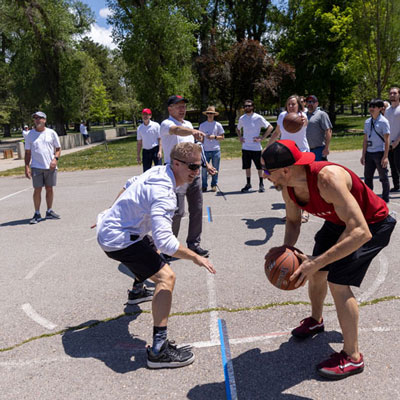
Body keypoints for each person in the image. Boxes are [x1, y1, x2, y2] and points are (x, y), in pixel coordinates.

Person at [261, 139, 396, 380]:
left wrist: (317, 261)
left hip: (373, 224)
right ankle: (316, 320)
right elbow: (293, 221)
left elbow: (360, 231)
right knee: (315, 271)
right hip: (338, 222)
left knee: (338, 282)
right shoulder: (288, 187)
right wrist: (286, 250)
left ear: (285, 170)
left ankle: (353, 356)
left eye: (267, 171)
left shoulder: (327, 179)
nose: (265, 176)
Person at [97, 142, 216, 369]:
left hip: (117, 231)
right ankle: (159, 351)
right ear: (177, 164)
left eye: (198, 166)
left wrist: (110, 215)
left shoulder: (159, 170)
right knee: (166, 277)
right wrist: (195, 257)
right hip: (118, 240)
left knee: (151, 250)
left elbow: (128, 184)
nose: (196, 172)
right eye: (192, 166)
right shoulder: (164, 194)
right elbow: (167, 243)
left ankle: (136, 291)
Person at [160, 95, 214, 258]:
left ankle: (194, 243)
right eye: (178, 106)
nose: (182, 109)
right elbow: (177, 130)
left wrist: (206, 164)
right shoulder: (166, 124)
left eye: (184, 106)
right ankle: (169, 247)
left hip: (193, 172)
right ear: (170, 109)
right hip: (175, 175)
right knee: (177, 212)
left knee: (197, 209)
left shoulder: (189, 124)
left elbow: (196, 148)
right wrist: (193, 131)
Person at [267, 94, 310, 223]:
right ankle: (291, 213)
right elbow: (276, 133)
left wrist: (303, 121)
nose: (291, 106)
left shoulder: (302, 116)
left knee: (302, 184)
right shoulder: (282, 116)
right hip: (285, 153)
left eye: (294, 104)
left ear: (298, 105)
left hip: (301, 153)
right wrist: (268, 147)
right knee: (286, 184)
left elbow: (305, 122)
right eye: (289, 104)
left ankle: (305, 211)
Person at [24, 111, 61, 224]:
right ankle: (37, 213)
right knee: (37, 189)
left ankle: (49, 211)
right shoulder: (30, 134)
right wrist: (26, 167)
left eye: (39, 118)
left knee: (49, 188)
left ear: (44, 120)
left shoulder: (51, 133)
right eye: (35, 118)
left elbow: (58, 149)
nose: (37, 120)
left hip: (50, 167)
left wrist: (55, 159)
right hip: (36, 167)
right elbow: (27, 152)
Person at [237, 99, 273, 193]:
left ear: (253, 107)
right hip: (245, 147)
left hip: (256, 148)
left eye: (249, 106)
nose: (247, 107)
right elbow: (238, 129)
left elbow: (270, 127)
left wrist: (262, 138)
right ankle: (248, 184)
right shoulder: (242, 118)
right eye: (245, 106)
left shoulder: (258, 117)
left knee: (259, 167)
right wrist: (240, 137)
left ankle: (261, 184)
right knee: (247, 167)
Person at [360, 99, 390, 203]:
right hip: (369, 153)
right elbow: (365, 139)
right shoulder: (367, 121)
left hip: (379, 153)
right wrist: (363, 155)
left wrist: (385, 156)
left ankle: (385, 198)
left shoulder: (384, 122)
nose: (371, 108)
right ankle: (369, 199)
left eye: (374, 106)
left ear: (380, 108)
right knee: (368, 178)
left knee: (383, 177)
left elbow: (387, 140)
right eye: (370, 106)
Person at [199, 106, 225, 192]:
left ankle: (214, 184)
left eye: (212, 113)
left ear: (214, 115)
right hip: (205, 150)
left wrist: (215, 137)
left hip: (215, 150)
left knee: (215, 168)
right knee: (204, 169)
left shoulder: (218, 125)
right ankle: (204, 185)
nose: (210, 115)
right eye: (208, 113)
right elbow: (201, 138)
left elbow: (222, 137)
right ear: (206, 114)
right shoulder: (202, 125)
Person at [305, 95, 333, 161]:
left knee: (318, 170)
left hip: (319, 149)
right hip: (306, 150)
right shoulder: (304, 115)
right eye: (308, 102)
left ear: (317, 103)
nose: (310, 104)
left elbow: (328, 131)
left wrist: (326, 148)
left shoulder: (321, 114)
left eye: (312, 102)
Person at [385, 87, 400, 192]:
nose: (392, 95)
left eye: (394, 93)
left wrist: (397, 141)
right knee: (392, 165)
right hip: (389, 142)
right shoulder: (387, 110)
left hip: (399, 142)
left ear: (399, 95)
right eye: (390, 93)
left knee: (399, 164)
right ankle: (396, 185)